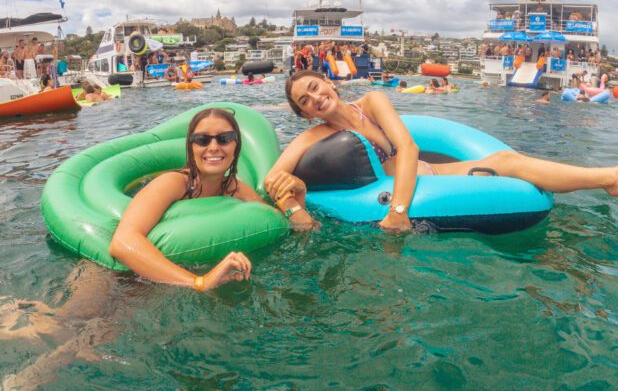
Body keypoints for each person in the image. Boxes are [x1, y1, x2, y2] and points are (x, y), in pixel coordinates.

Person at [264, 71, 618, 233]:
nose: (315, 99)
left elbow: (407, 146)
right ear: (306, 113)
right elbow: (272, 178)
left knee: (506, 161)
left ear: (328, 81)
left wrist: (399, 211)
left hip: (424, 176)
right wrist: (293, 198)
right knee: (508, 164)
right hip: (413, 189)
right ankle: (608, 178)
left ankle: (608, 178)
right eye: (304, 102)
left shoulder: (371, 102)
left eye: (314, 88)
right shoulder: (313, 136)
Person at [109, 108, 264, 288]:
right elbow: (122, 242)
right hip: (116, 276)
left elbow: (276, 222)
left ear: (236, 145)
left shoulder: (236, 188)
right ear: (191, 147)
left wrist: (292, 200)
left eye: (225, 138)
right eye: (202, 140)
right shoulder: (173, 184)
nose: (213, 147)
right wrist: (199, 282)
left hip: (166, 285)